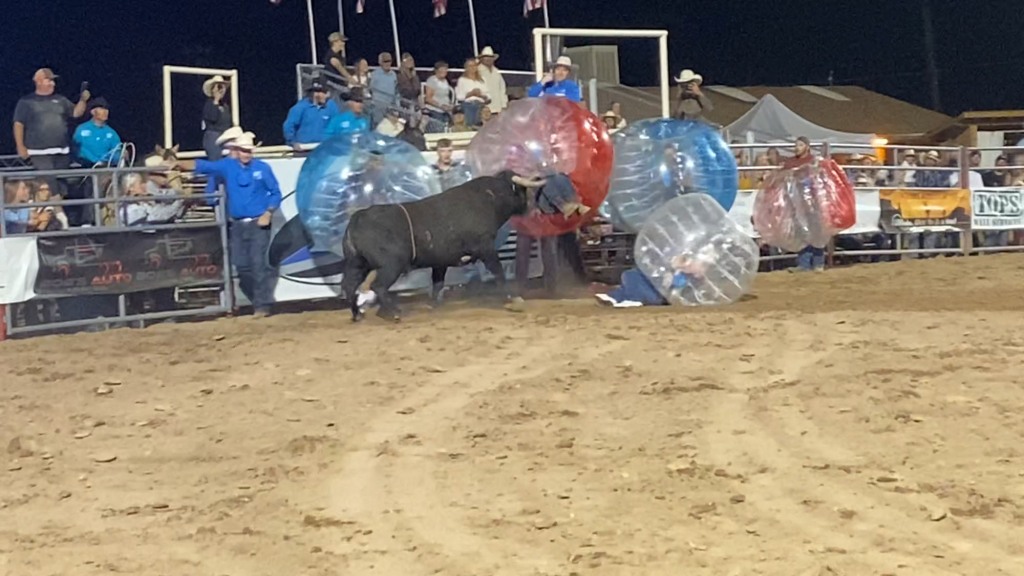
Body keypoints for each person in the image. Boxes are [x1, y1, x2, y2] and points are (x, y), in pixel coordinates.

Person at [185, 133, 282, 318]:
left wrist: (268, 212)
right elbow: (204, 166)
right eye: (244, 150)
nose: (247, 154)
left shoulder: (262, 168)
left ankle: (261, 305)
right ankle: (260, 300)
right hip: (237, 224)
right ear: (236, 151)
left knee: (257, 263)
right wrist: (177, 163)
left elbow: (275, 192)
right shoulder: (228, 166)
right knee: (241, 265)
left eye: (249, 151)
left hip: (258, 223)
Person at [13, 68, 89, 222]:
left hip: (61, 151)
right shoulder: (26, 102)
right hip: (38, 152)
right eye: (49, 80)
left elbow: (75, 113)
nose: (52, 83)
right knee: (49, 182)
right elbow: (18, 124)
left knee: (60, 185)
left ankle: (50, 217)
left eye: (53, 80)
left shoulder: (60, 100)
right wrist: (20, 146)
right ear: (39, 81)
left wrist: (83, 100)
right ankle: (61, 218)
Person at [282, 82, 340, 149]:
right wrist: (292, 142)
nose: (326, 95)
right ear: (313, 94)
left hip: (325, 149)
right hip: (304, 148)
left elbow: (337, 126)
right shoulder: (300, 107)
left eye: (326, 92)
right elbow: (289, 126)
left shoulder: (331, 106)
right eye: (322, 92)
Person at [73, 97, 122, 166]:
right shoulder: (81, 129)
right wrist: (95, 160)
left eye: (106, 109)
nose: (105, 111)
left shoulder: (111, 132)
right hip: (85, 168)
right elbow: (78, 148)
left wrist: (116, 158)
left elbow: (116, 149)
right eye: (101, 108)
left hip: (105, 168)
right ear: (93, 112)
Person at [201, 75, 232, 160]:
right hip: (213, 137)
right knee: (217, 163)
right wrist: (216, 100)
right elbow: (212, 117)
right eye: (218, 87)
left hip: (225, 136)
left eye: (222, 87)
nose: (221, 90)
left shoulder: (225, 105)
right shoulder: (209, 104)